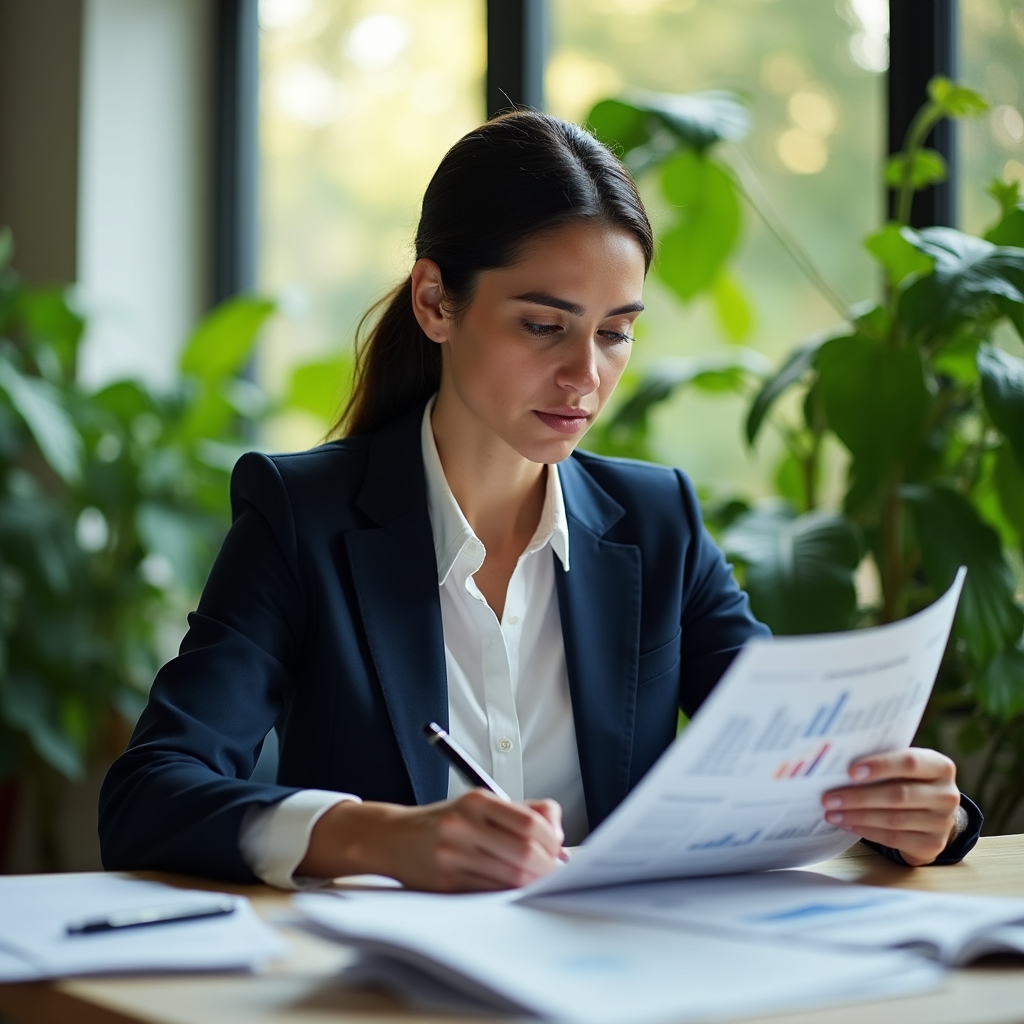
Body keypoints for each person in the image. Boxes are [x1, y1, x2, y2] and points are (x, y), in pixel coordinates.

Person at [99, 111, 981, 891]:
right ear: (436, 301)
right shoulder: (305, 519)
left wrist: (923, 813)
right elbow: (150, 792)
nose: (585, 377)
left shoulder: (657, 524)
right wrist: (384, 839)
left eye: (615, 333)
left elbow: (789, 758)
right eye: (543, 324)